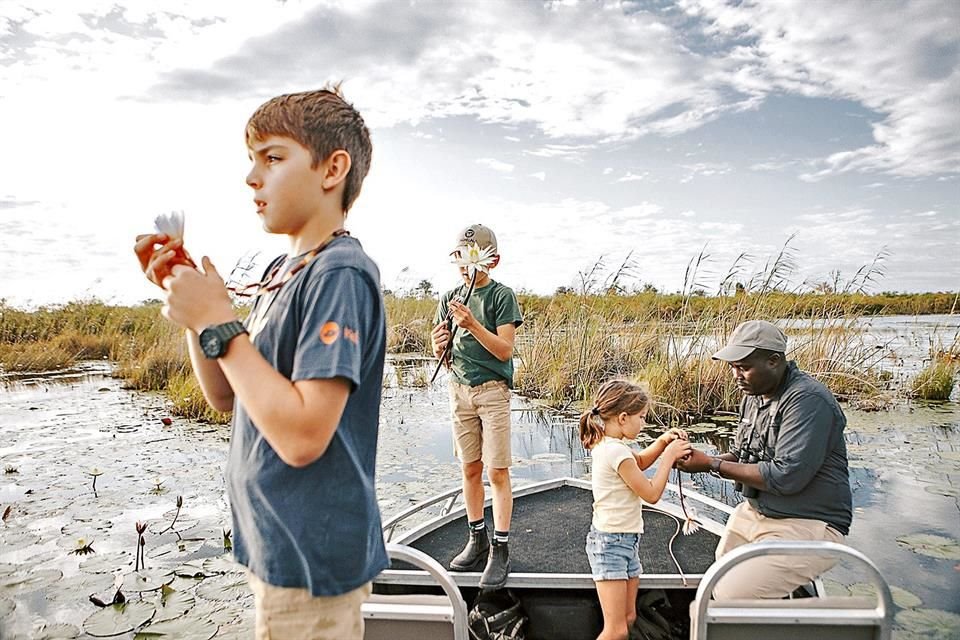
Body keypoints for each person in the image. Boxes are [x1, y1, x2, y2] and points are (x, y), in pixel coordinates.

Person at [133, 87, 387, 639]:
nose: (253, 177)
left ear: (332, 169)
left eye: (272, 158)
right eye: (252, 160)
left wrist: (222, 324)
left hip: (310, 559)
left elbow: (301, 437)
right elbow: (226, 395)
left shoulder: (338, 273)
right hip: (275, 544)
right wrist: (197, 310)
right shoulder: (283, 270)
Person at [677, 320, 852, 599]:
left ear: (774, 361)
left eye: (744, 367)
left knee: (733, 595)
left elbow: (786, 477)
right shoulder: (754, 394)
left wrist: (711, 464)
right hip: (757, 512)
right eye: (733, 367)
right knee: (716, 582)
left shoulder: (807, 400)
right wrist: (696, 459)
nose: (736, 375)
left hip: (810, 523)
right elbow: (740, 454)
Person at [430, 223, 523, 589]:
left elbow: (504, 350)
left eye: (474, 259)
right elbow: (442, 348)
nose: (466, 267)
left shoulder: (502, 296)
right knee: (470, 467)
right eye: (461, 259)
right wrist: (439, 344)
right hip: (460, 390)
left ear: (492, 261)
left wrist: (471, 324)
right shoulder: (449, 296)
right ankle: (477, 537)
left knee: (497, 471)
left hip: (493, 391)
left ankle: (500, 548)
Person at [579, 380, 692, 640]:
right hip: (611, 544)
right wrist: (669, 457)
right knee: (616, 630)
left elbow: (639, 462)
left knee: (629, 619)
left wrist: (663, 442)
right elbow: (652, 494)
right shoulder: (615, 453)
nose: (643, 424)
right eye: (641, 417)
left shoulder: (612, 446)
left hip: (626, 540)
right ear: (622, 418)